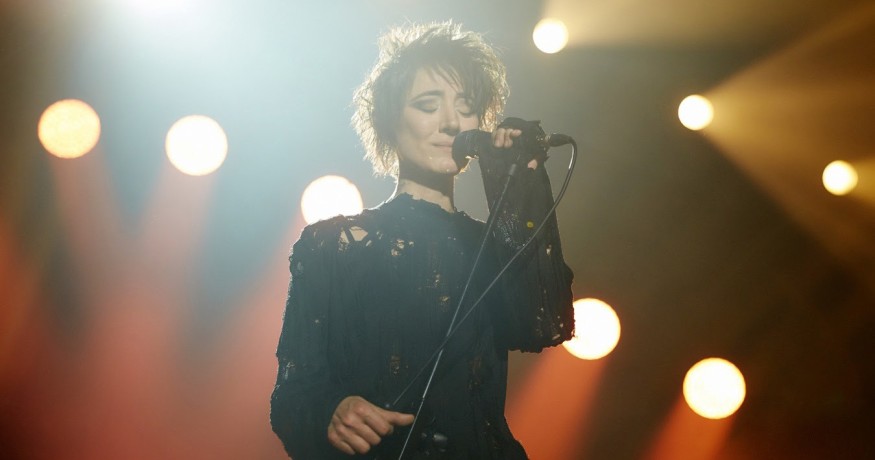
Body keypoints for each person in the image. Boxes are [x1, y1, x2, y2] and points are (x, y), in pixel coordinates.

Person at [270, 21, 574, 459]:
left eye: (466, 108)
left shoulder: (493, 250)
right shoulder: (333, 245)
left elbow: (543, 324)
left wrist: (518, 180)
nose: (451, 123)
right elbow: (293, 395)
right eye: (427, 105)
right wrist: (332, 412)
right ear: (390, 121)